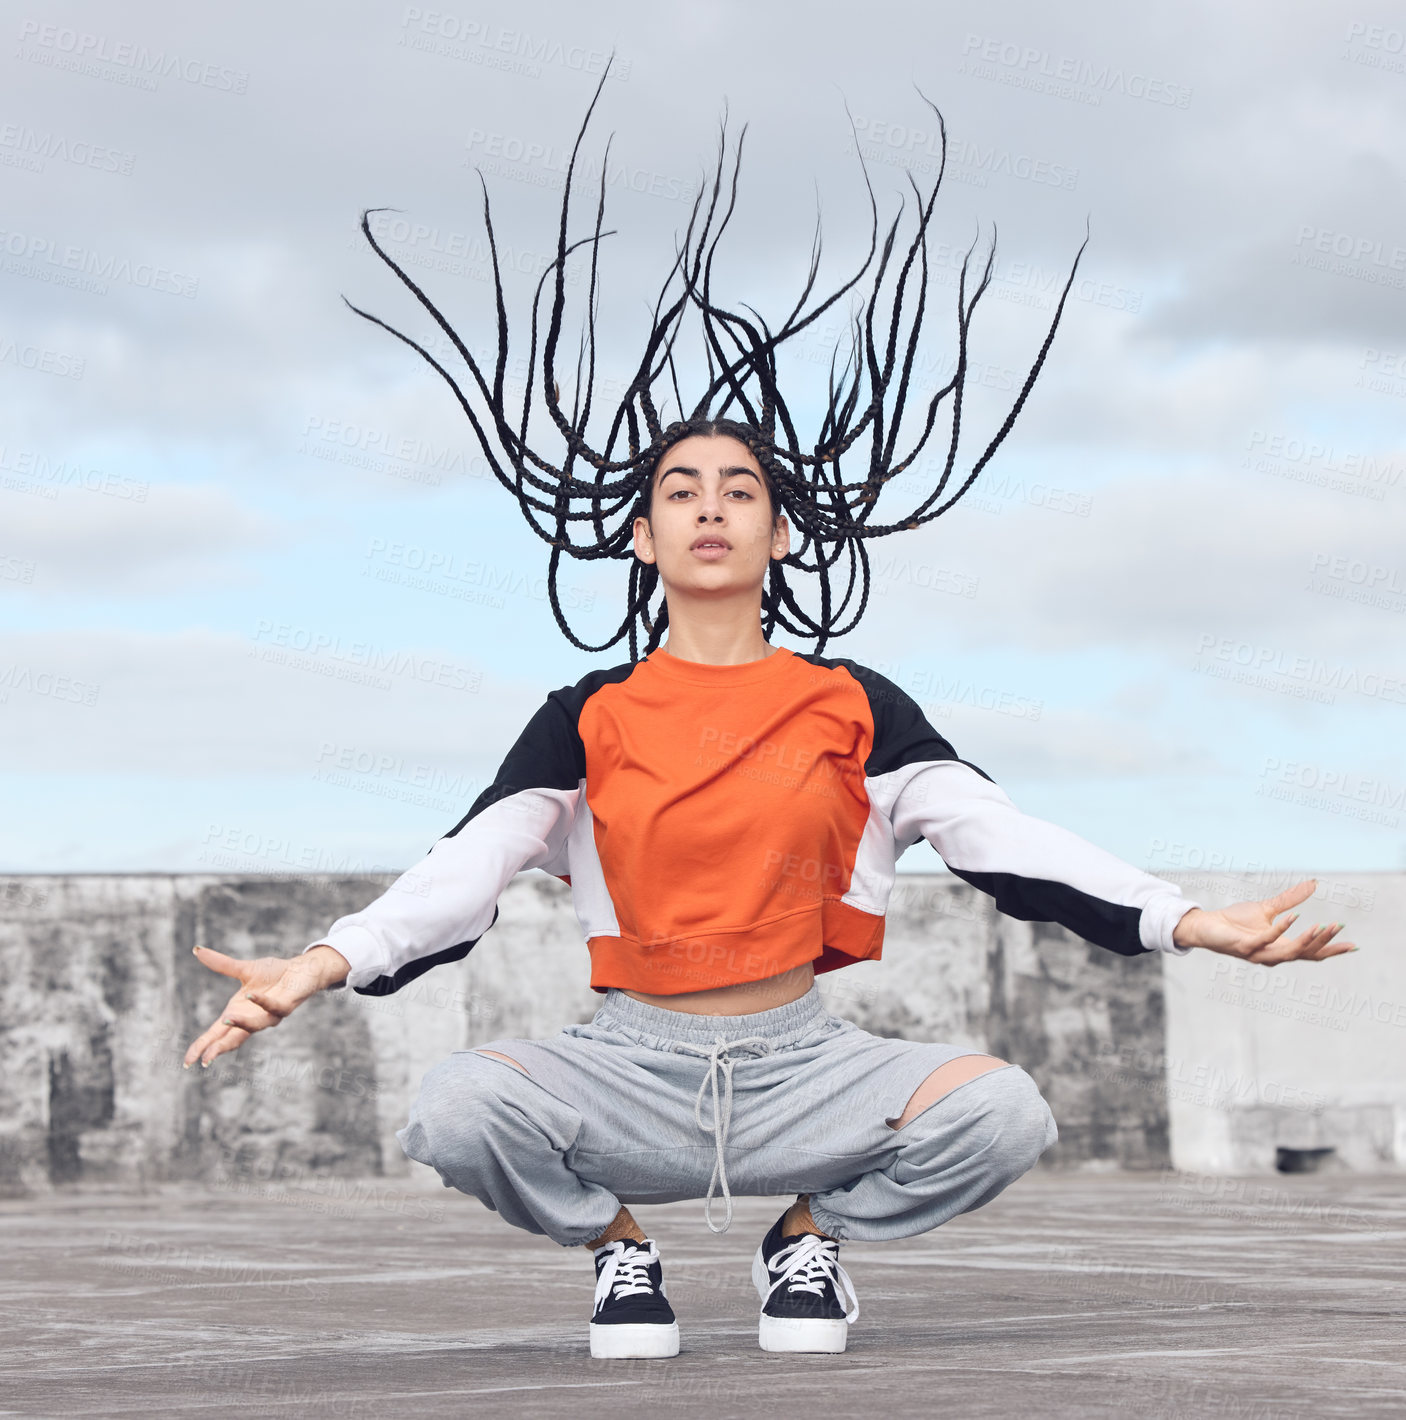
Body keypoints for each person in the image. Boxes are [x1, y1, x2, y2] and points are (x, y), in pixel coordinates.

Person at [182, 73, 1356, 1360]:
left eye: (738, 489)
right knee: (456, 1109)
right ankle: (618, 1250)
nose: (708, 507)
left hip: (807, 1063)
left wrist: (1184, 917)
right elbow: (462, 870)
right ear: (639, 538)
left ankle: (808, 1235)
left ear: (778, 529)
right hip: (627, 1066)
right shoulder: (587, 714)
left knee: (1004, 1112)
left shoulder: (852, 701)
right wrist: (322, 963)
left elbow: (997, 835)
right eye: (677, 490)